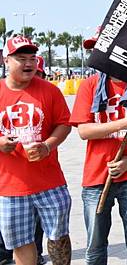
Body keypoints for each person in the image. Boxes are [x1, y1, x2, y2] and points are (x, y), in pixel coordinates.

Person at [70, 52, 127, 264]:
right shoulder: (90, 85)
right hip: (96, 176)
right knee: (95, 244)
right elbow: (84, 131)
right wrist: (122, 124)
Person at [0, 36, 73, 265]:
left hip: (50, 183)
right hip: (10, 187)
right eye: (21, 58)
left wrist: (47, 146)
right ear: (6, 60)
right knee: (21, 243)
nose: (28, 64)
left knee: (58, 238)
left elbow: (64, 124)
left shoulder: (50, 91)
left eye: (32, 58)